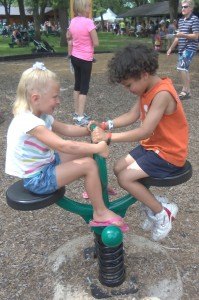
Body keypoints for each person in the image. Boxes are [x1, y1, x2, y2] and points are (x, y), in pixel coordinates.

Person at [5, 62, 128, 233]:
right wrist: (97, 148)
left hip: (47, 164)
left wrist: (88, 129)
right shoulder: (28, 122)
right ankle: (100, 213)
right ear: (35, 98)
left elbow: (67, 129)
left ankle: (94, 188)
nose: (58, 101)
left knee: (87, 153)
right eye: (55, 97)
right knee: (88, 163)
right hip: (37, 179)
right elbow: (63, 145)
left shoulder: (42, 115)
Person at [90, 43, 189, 241]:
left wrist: (108, 138)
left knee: (125, 178)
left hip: (169, 153)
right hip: (153, 147)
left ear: (143, 74)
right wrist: (105, 124)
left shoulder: (162, 93)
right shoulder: (146, 89)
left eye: (128, 85)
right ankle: (153, 203)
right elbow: (132, 115)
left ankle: (162, 214)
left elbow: (145, 130)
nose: (128, 90)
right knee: (118, 168)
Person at [67, 0, 99, 126]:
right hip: (85, 58)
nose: (89, 9)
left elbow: (68, 36)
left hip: (75, 56)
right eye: (89, 7)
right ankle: (80, 118)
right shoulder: (88, 22)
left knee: (77, 85)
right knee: (84, 88)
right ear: (83, 8)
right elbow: (96, 42)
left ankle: (77, 113)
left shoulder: (73, 21)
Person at [167, 0, 199, 100]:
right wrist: (170, 48)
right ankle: (187, 90)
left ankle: (185, 91)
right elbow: (177, 37)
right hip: (182, 48)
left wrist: (182, 35)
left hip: (190, 47)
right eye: (182, 7)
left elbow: (196, 36)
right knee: (184, 69)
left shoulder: (194, 19)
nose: (183, 9)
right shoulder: (181, 20)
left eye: (185, 7)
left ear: (191, 8)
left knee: (182, 68)